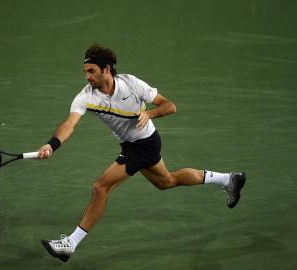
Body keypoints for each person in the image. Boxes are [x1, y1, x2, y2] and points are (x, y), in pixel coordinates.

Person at [37, 44, 246, 262]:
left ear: (106, 69)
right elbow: (69, 124)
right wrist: (51, 145)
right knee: (167, 181)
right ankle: (228, 179)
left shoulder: (131, 84)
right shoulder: (85, 97)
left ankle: (70, 244)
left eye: (91, 71)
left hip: (144, 143)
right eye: (85, 72)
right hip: (131, 145)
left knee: (101, 187)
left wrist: (151, 114)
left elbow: (170, 106)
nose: (87, 77)